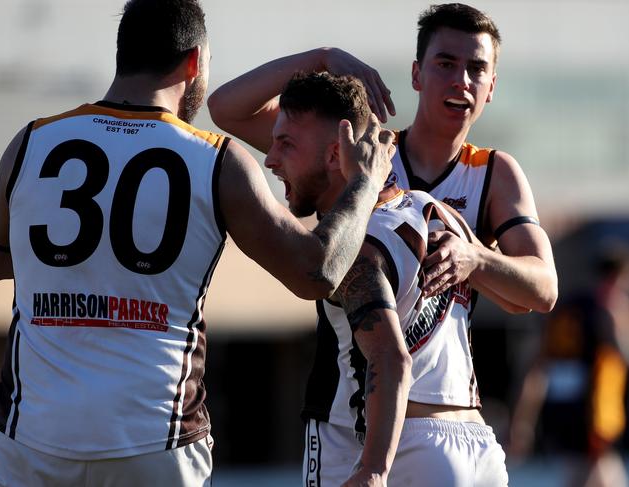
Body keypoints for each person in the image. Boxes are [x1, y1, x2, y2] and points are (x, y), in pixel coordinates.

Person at [0, 0, 394, 485]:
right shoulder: (215, 160)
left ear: (123, 53)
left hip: (27, 440)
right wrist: (365, 183)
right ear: (195, 61)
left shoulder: (31, 141)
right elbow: (316, 272)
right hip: (156, 443)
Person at [208, 2, 558, 316]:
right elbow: (226, 108)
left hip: (442, 386)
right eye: (446, 64)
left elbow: (544, 290)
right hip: (348, 382)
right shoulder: (362, 149)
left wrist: (474, 258)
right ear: (416, 74)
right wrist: (321, 58)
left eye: (477, 69)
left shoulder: (494, 172)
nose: (461, 81)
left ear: (492, 86)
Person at [253, 71, 508, 486]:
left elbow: (390, 358)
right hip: (479, 447)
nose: (270, 158)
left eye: (286, 144)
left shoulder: (354, 249)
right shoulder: (436, 211)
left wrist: (374, 468)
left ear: (336, 155)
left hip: (398, 447)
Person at [509, 244, 629, 487]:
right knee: (592, 475)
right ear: (616, 279)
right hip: (592, 414)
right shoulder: (605, 311)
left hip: (561, 411)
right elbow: (622, 355)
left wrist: (523, 419)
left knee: (599, 474)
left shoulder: (565, 310)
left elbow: (536, 366)